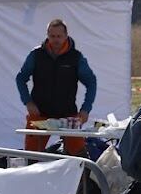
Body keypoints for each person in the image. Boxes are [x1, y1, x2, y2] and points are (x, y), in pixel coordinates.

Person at [17, 18, 97, 156]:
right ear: (47, 35)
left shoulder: (76, 57)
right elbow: (20, 78)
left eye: (59, 36)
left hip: (68, 116)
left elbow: (91, 82)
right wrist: (28, 102)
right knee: (31, 157)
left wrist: (85, 109)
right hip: (39, 115)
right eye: (52, 36)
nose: (55, 40)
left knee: (80, 158)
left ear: (66, 36)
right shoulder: (36, 55)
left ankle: (82, 178)